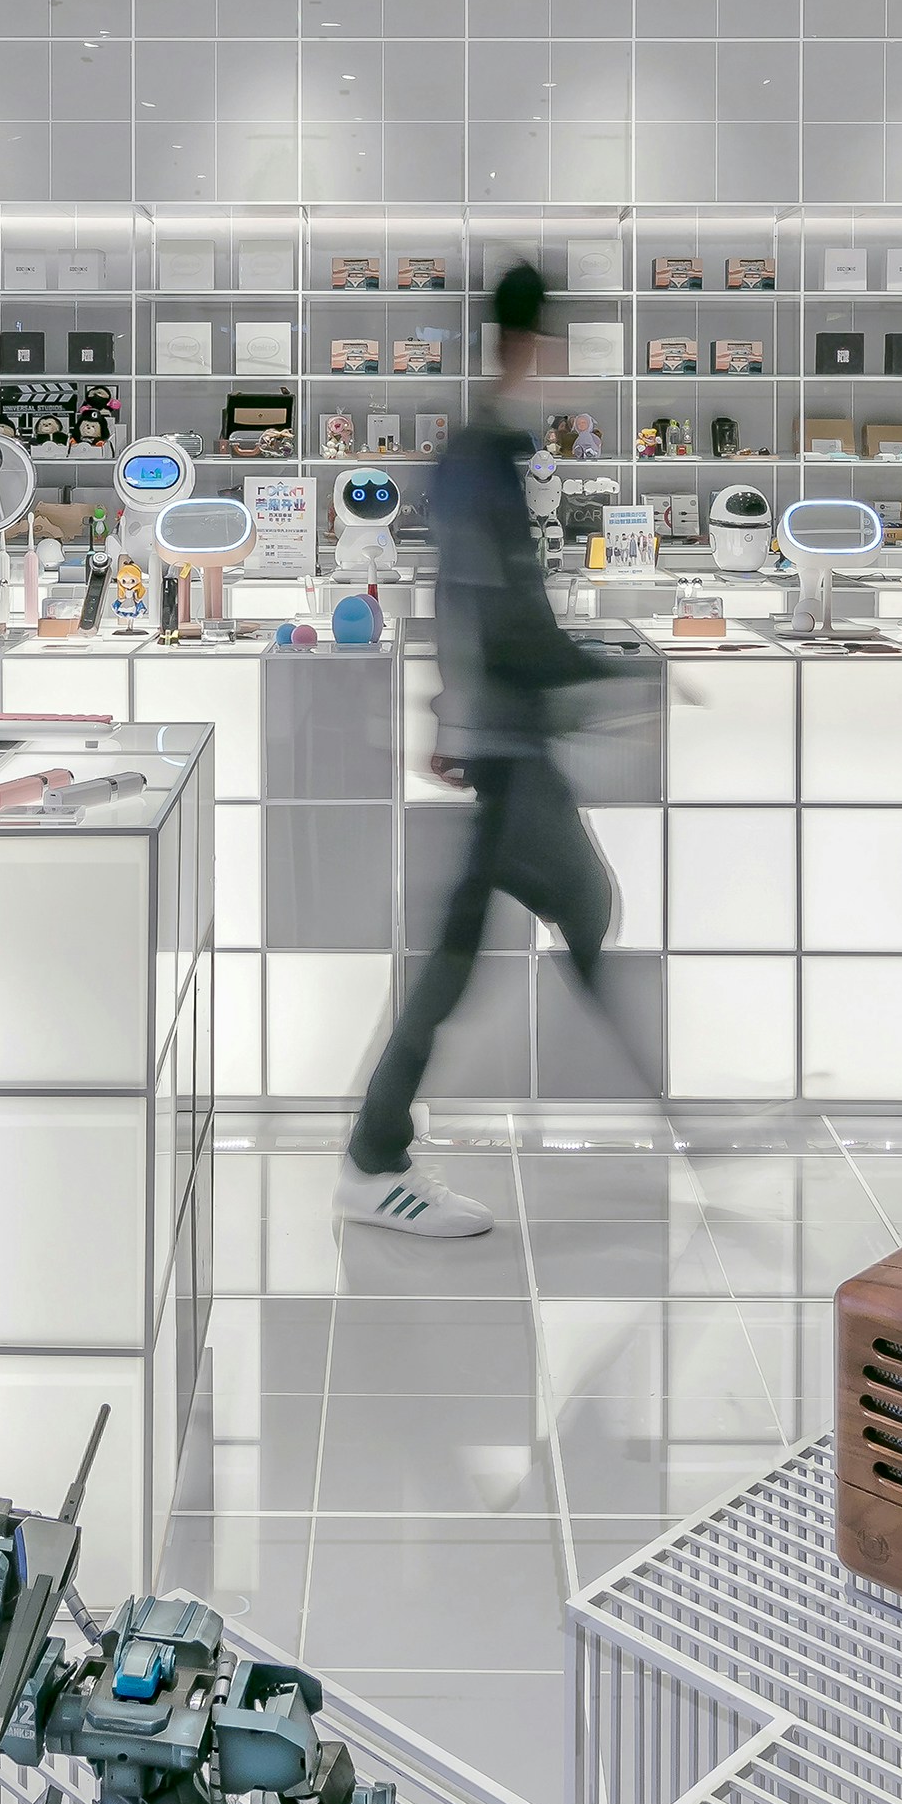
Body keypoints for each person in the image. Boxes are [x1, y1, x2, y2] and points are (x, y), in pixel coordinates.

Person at [338, 261, 633, 1239]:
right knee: (551, 921)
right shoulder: (486, 456)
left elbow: (459, 599)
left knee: (520, 929)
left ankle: (378, 1150)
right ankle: (376, 1159)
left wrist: (445, 712)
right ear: (525, 348)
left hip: (502, 737)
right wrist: (624, 677)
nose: (566, 366)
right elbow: (506, 621)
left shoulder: (482, 451)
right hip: (510, 742)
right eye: (556, 345)